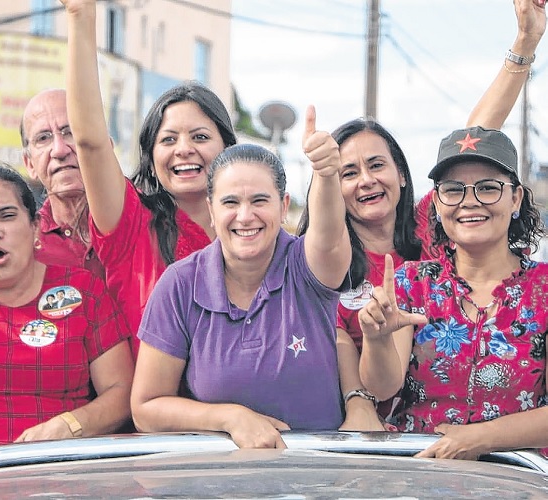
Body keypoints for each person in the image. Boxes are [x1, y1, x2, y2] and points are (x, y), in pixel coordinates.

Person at [297, 0, 547, 431]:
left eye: (377, 165)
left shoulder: (435, 223)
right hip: (361, 442)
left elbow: (475, 147)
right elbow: (377, 375)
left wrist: (524, 43)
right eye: (347, 172)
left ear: (400, 170)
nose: (366, 181)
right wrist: (360, 392)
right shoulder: (327, 261)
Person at [131, 107, 351, 449]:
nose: (245, 216)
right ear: (211, 208)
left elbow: (329, 232)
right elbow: (146, 409)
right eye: (230, 202)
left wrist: (325, 173)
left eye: (260, 200)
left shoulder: (307, 267)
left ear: (283, 205)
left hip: (315, 479)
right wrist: (230, 417)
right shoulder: (180, 284)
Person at [358, 126, 548, 460]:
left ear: (515, 198)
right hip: (419, 477)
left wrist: (479, 438)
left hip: (516, 480)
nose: (469, 201)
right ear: (438, 201)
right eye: (453, 189)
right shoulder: (412, 282)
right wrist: (376, 338)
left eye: (488, 188)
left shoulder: (543, 290)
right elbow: (382, 387)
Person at [61, 0, 237, 341]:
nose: (184, 149)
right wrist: (81, 17)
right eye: (168, 139)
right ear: (151, 156)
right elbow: (90, 142)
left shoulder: (251, 229)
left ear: (228, 149)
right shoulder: (131, 225)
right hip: (146, 396)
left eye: (200, 136)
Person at [0, 164, 134, 461]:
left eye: (7, 216)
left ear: (35, 227)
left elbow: (121, 391)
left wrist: (70, 426)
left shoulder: (83, 291)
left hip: (58, 475)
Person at [21, 88, 104, 279]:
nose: (59, 150)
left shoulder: (147, 221)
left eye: (70, 132)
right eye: (43, 138)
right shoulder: (21, 244)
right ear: (29, 163)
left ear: (105, 145)